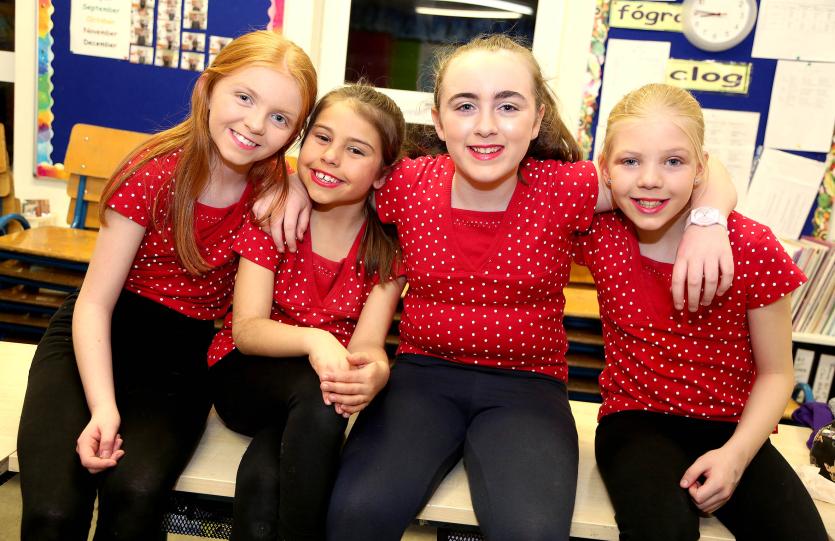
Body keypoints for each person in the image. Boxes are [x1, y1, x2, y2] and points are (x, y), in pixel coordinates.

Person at [316, 35, 737, 541]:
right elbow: (328, 173)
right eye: (465, 105)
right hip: (421, 381)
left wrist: (709, 220)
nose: (486, 125)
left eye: (508, 106)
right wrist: (293, 195)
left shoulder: (565, 188)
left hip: (526, 390)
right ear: (439, 117)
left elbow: (698, 165)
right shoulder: (407, 183)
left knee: (531, 532)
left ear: (536, 120)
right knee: (354, 515)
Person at [17, 30, 317, 541]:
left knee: (135, 496)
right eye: (243, 97)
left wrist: (293, 182)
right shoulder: (152, 174)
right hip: (97, 336)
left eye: (279, 118)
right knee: (52, 513)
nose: (254, 124)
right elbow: (93, 303)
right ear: (207, 90)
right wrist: (103, 409)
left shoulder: (273, 186)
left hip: (180, 359)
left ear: (294, 133)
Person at [575, 83, 828, 540]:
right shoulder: (600, 233)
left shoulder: (750, 247)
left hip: (735, 426)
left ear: (699, 169)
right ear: (605, 171)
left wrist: (735, 456)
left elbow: (777, 374)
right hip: (635, 420)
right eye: (630, 161)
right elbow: (532, 195)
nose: (650, 179)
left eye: (673, 161)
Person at [206, 84, 406, 541]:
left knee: (263, 478)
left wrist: (375, 372)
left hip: (316, 396)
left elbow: (368, 346)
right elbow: (247, 330)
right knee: (322, 395)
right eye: (321, 137)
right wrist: (317, 341)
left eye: (356, 150)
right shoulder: (274, 216)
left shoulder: (386, 248)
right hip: (245, 375)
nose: (331, 157)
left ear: (382, 173)